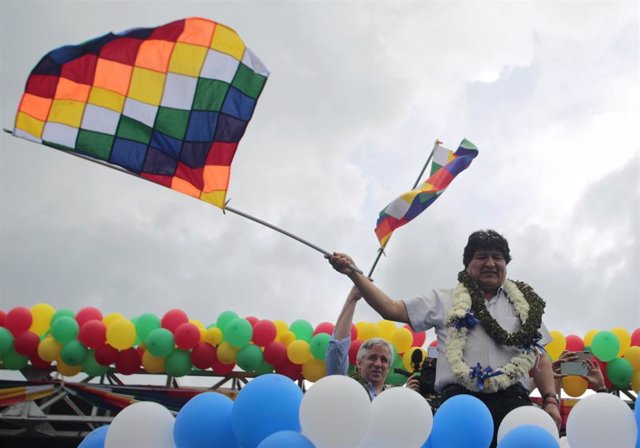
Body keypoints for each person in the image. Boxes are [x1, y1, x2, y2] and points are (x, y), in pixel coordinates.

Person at [327, 229, 561, 447]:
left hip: (513, 404)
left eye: (497, 257)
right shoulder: (443, 300)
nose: (490, 263)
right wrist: (355, 276)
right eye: (481, 257)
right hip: (459, 407)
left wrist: (550, 399)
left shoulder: (525, 306)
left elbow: (540, 358)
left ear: (505, 264)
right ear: (468, 265)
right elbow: (391, 309)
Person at [325, 285, 421, 400]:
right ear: (359, 363)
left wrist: (408, 396)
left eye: (384, 360)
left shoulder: (393, 398)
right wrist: (352, 299)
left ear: (389, 367)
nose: (378, 364)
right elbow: (337, 350)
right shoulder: (347, 389)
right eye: (372, 357)